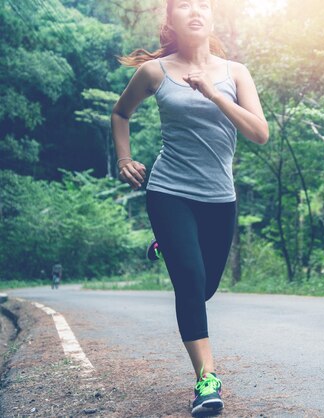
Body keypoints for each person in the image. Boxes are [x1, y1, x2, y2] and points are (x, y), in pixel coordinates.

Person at [111, 0, 269, 415]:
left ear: (212, 16)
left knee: (205, 287)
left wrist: (213, 94)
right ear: (171, 20)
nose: (195, 9)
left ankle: (167, 247)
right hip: (169, 191)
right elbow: (120, 113)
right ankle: (207, 381)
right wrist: (125, 159)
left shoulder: (236, 72)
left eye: (203, 3)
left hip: (219, 197)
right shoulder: (155, 72)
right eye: (184, 4)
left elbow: (260, 133)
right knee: (190, 280)